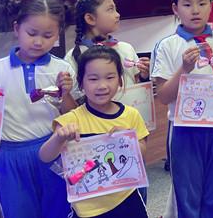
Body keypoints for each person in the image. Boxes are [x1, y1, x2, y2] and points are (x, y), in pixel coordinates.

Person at [0, 0, 77, 218]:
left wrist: (66, 93)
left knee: (59, 210)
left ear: (58, 35)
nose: (39, 42)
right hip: (10, 156)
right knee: (18, 211)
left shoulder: (62, 69)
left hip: (53, 149)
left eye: (48, 35)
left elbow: (72, 115)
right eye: (32, 33)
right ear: (17, 29)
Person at [152, 0, 213, 218]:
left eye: (202, 3)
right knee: (187, 195)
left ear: (211, 5)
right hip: (185, 129)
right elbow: (163, 96)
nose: (195, 10)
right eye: (187, 4)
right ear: (175, 9)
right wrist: (184, 69)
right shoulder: (167, 46)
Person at [39, 46, 149, 217]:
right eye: (93, 79)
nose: (102, 86)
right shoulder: (72, 119)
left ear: (120, 80)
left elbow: (142, 151)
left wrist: (129, 141)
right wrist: (59, 138)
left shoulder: (131, 115)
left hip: (126, 197)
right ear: (81, 83)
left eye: (110, 77)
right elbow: (44, 156)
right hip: (88, 208)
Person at [65, 0, 150, 88]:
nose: (117, 15)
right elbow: (74, 93)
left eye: (115, 9)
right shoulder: (74, 56)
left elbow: (136, 82)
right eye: (110, 9)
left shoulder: (126, 48)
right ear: (90, 19)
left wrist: (144, 75)